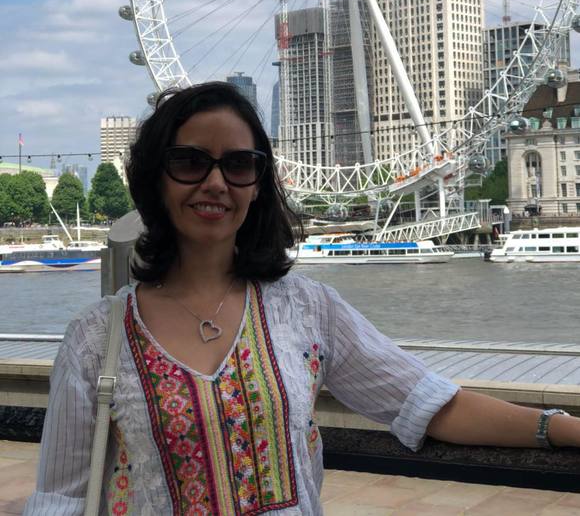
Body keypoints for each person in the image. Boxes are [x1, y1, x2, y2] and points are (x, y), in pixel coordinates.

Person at [25, 82, 580, 515]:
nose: (216, 183)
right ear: (155, 178)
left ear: (258, 184)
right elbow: (60, 498)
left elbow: (428, 404)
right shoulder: (98, 336)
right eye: (190, 162)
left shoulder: (305, 309)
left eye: (238, 165)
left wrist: (558, 427)